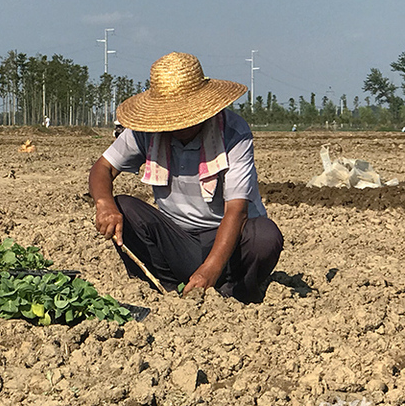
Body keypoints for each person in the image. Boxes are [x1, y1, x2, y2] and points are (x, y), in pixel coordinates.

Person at [89, 52, 283, 303]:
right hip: (178, 240)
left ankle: (234, 291)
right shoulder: (147, 131)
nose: (177, 126)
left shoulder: (233, 133)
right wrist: (104, 204)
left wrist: (210, 268)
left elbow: (237, 211)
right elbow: (102, 168)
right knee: (124, 207)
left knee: (265, 236)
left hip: (229, 239)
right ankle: (164, 289)